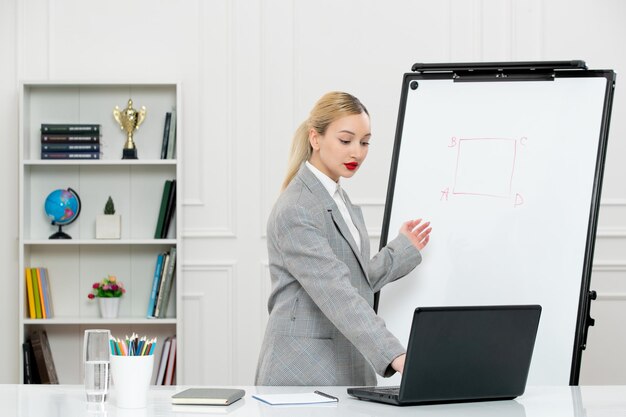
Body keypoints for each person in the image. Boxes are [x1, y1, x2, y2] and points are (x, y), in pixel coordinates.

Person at [255, 91, 431, 386]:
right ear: (316, 138)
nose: (357, 153)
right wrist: (397, 356)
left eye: (364, 142)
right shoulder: (297, 207)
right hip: (302, 371)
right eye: (346, 140)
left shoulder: (339, 199)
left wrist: (401, 251)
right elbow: (336, 291)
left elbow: (352, 280)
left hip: (341, 364)